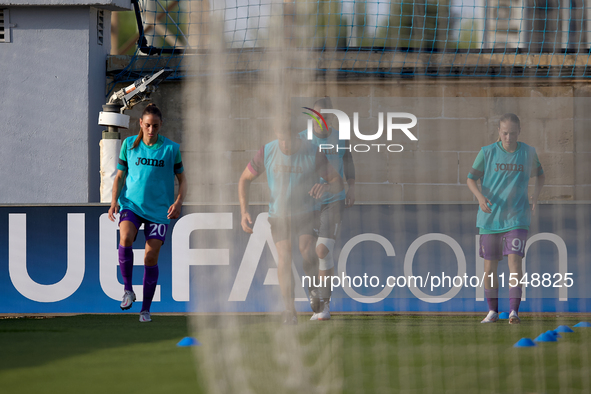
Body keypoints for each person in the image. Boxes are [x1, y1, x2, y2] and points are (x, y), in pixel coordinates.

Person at [239, 128, 344, 325]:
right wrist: (244, 211)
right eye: (281, 139)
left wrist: (326, 186)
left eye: (289, 140)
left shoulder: (313, 151)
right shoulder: (267, 151)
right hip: (279, 215)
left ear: (298, 136)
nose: (285, 145)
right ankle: (290, 311)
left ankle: (314, 290)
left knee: (307, 251)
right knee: (284, 257)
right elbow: (245, 179)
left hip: (307, 212)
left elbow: (337, 181)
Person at [108, 103, 187, 323]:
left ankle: (145, 310)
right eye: (147, 125)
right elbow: (120, 177)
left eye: (155, 126)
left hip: (159, 211)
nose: (151, 130)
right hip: (132, 205)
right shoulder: (128, 145)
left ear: (160, 125)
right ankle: (127, 290)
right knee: (125, 237)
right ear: (140, 124)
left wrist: (179, 202)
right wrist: (114, 201)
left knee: (150, 256)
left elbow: (183, 180)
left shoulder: (171, 149)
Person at [467, 113, 545, 325]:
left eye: (512, 133)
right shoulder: (487, 152)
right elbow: (471, 179)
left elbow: (540, 175)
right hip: (490, 218)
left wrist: (535, 198)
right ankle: (492, 311)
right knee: (489, 268)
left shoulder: (528, 152)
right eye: (504, 133)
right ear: (499, 133)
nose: (508, 137)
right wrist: (480, 197)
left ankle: (513, 312)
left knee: (515, 264)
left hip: (517, 217)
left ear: (519, 131)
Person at [299, 97, 355, 321]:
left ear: (330, 117)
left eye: (324, 115)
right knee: (306, 251)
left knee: (323, 250)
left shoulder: (340, 138)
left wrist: (352, 187)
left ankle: (324, 305)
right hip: (305, 203)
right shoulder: (302, 140)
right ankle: (314, 292)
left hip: (334, 199)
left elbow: (349, 162)